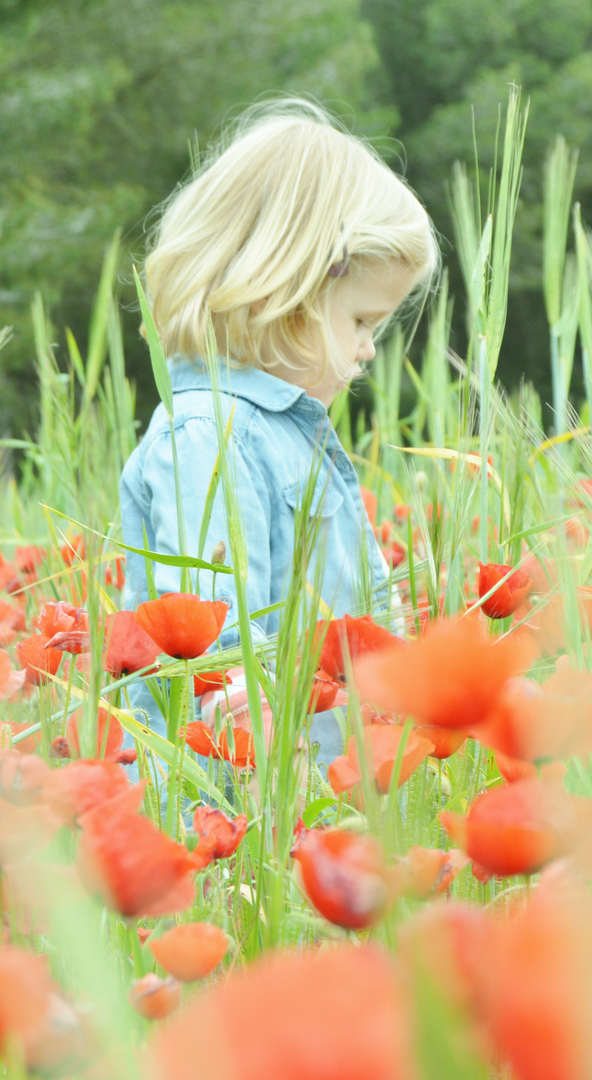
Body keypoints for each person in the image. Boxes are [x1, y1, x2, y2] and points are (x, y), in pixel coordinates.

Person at [119, 98, 437, 765]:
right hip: (239, 798)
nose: (369, 350)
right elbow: (214, 640)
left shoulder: (285, 432)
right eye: (361, 323)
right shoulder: (212, 438)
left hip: (314, 789)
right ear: (281, 294)